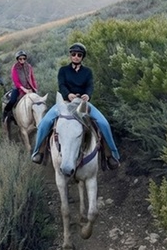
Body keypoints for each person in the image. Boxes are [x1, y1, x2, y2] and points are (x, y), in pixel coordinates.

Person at [31, 42, 120, 170]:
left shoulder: (87, 72)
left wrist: (87, 96)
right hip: (66, 103)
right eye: (74, 54)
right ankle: (39, 151)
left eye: (79, 55)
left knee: (103, 123)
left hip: (82, 103)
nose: (76, 56)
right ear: (70, 56)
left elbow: (90, 86)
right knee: (45, 122)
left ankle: (111, 155)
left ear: (82, 57)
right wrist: (69, 95)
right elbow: (61, 85)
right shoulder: (63, 70)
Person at [3, 50, 38, 123]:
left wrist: (35, 88)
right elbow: (16, 82)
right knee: (12, 100)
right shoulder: (15, 67)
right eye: (20, 59)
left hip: (29, 87)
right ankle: (6, 113)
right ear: (17, 59)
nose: (22, 60)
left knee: (38, 102)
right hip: (18, 88)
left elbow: (32, 78)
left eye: (24, 58)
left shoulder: (29, 66)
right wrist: (24, 89)